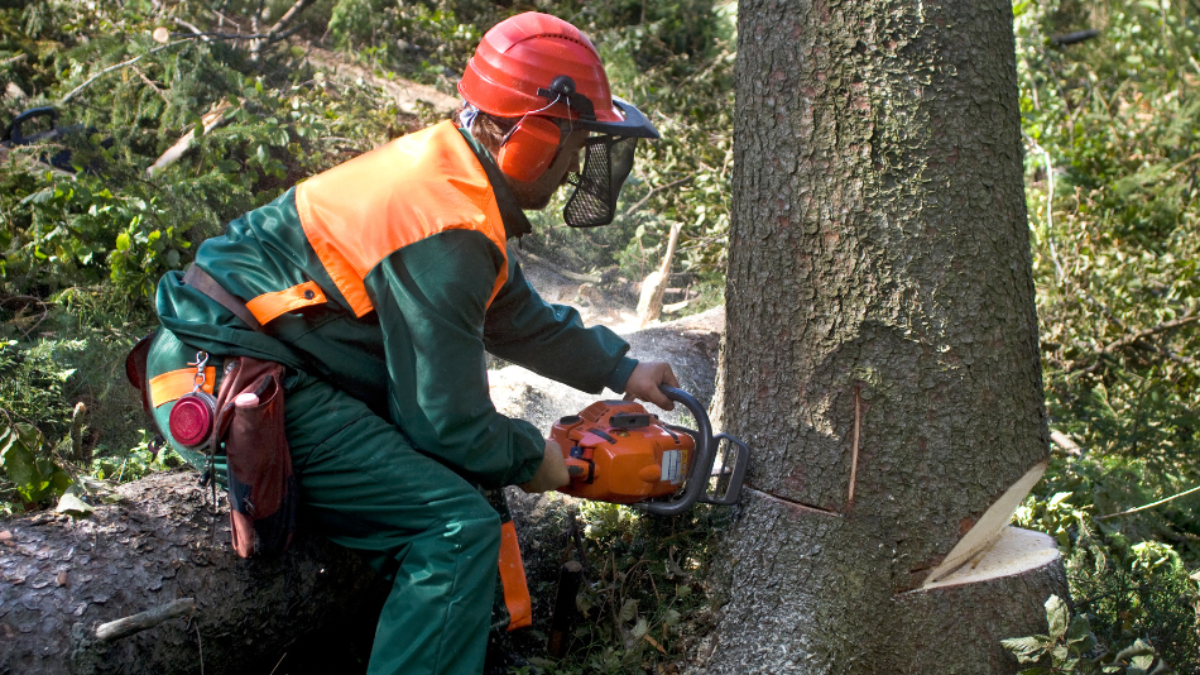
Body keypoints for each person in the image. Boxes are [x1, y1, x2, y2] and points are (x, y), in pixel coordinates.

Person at [140, 11, 679, 675]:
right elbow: (447, 424)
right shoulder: (445, 226)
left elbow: (512, 316)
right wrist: (544, 461)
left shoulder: (453, 185)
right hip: (231, 377)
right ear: (531, 139)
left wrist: (622, 368)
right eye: (573, 145)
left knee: (455, 494)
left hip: (264, 358)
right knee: (454, 531)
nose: (573, 167)